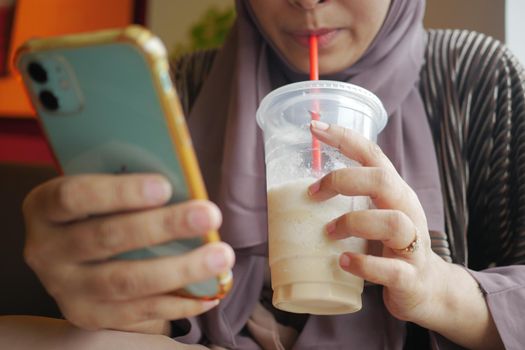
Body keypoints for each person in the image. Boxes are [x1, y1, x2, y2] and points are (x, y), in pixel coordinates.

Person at [1, 0, 524, 349]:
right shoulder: (185, 86)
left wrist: (439, 289)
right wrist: (130, 300)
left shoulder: (477, 78)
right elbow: (158, 311)